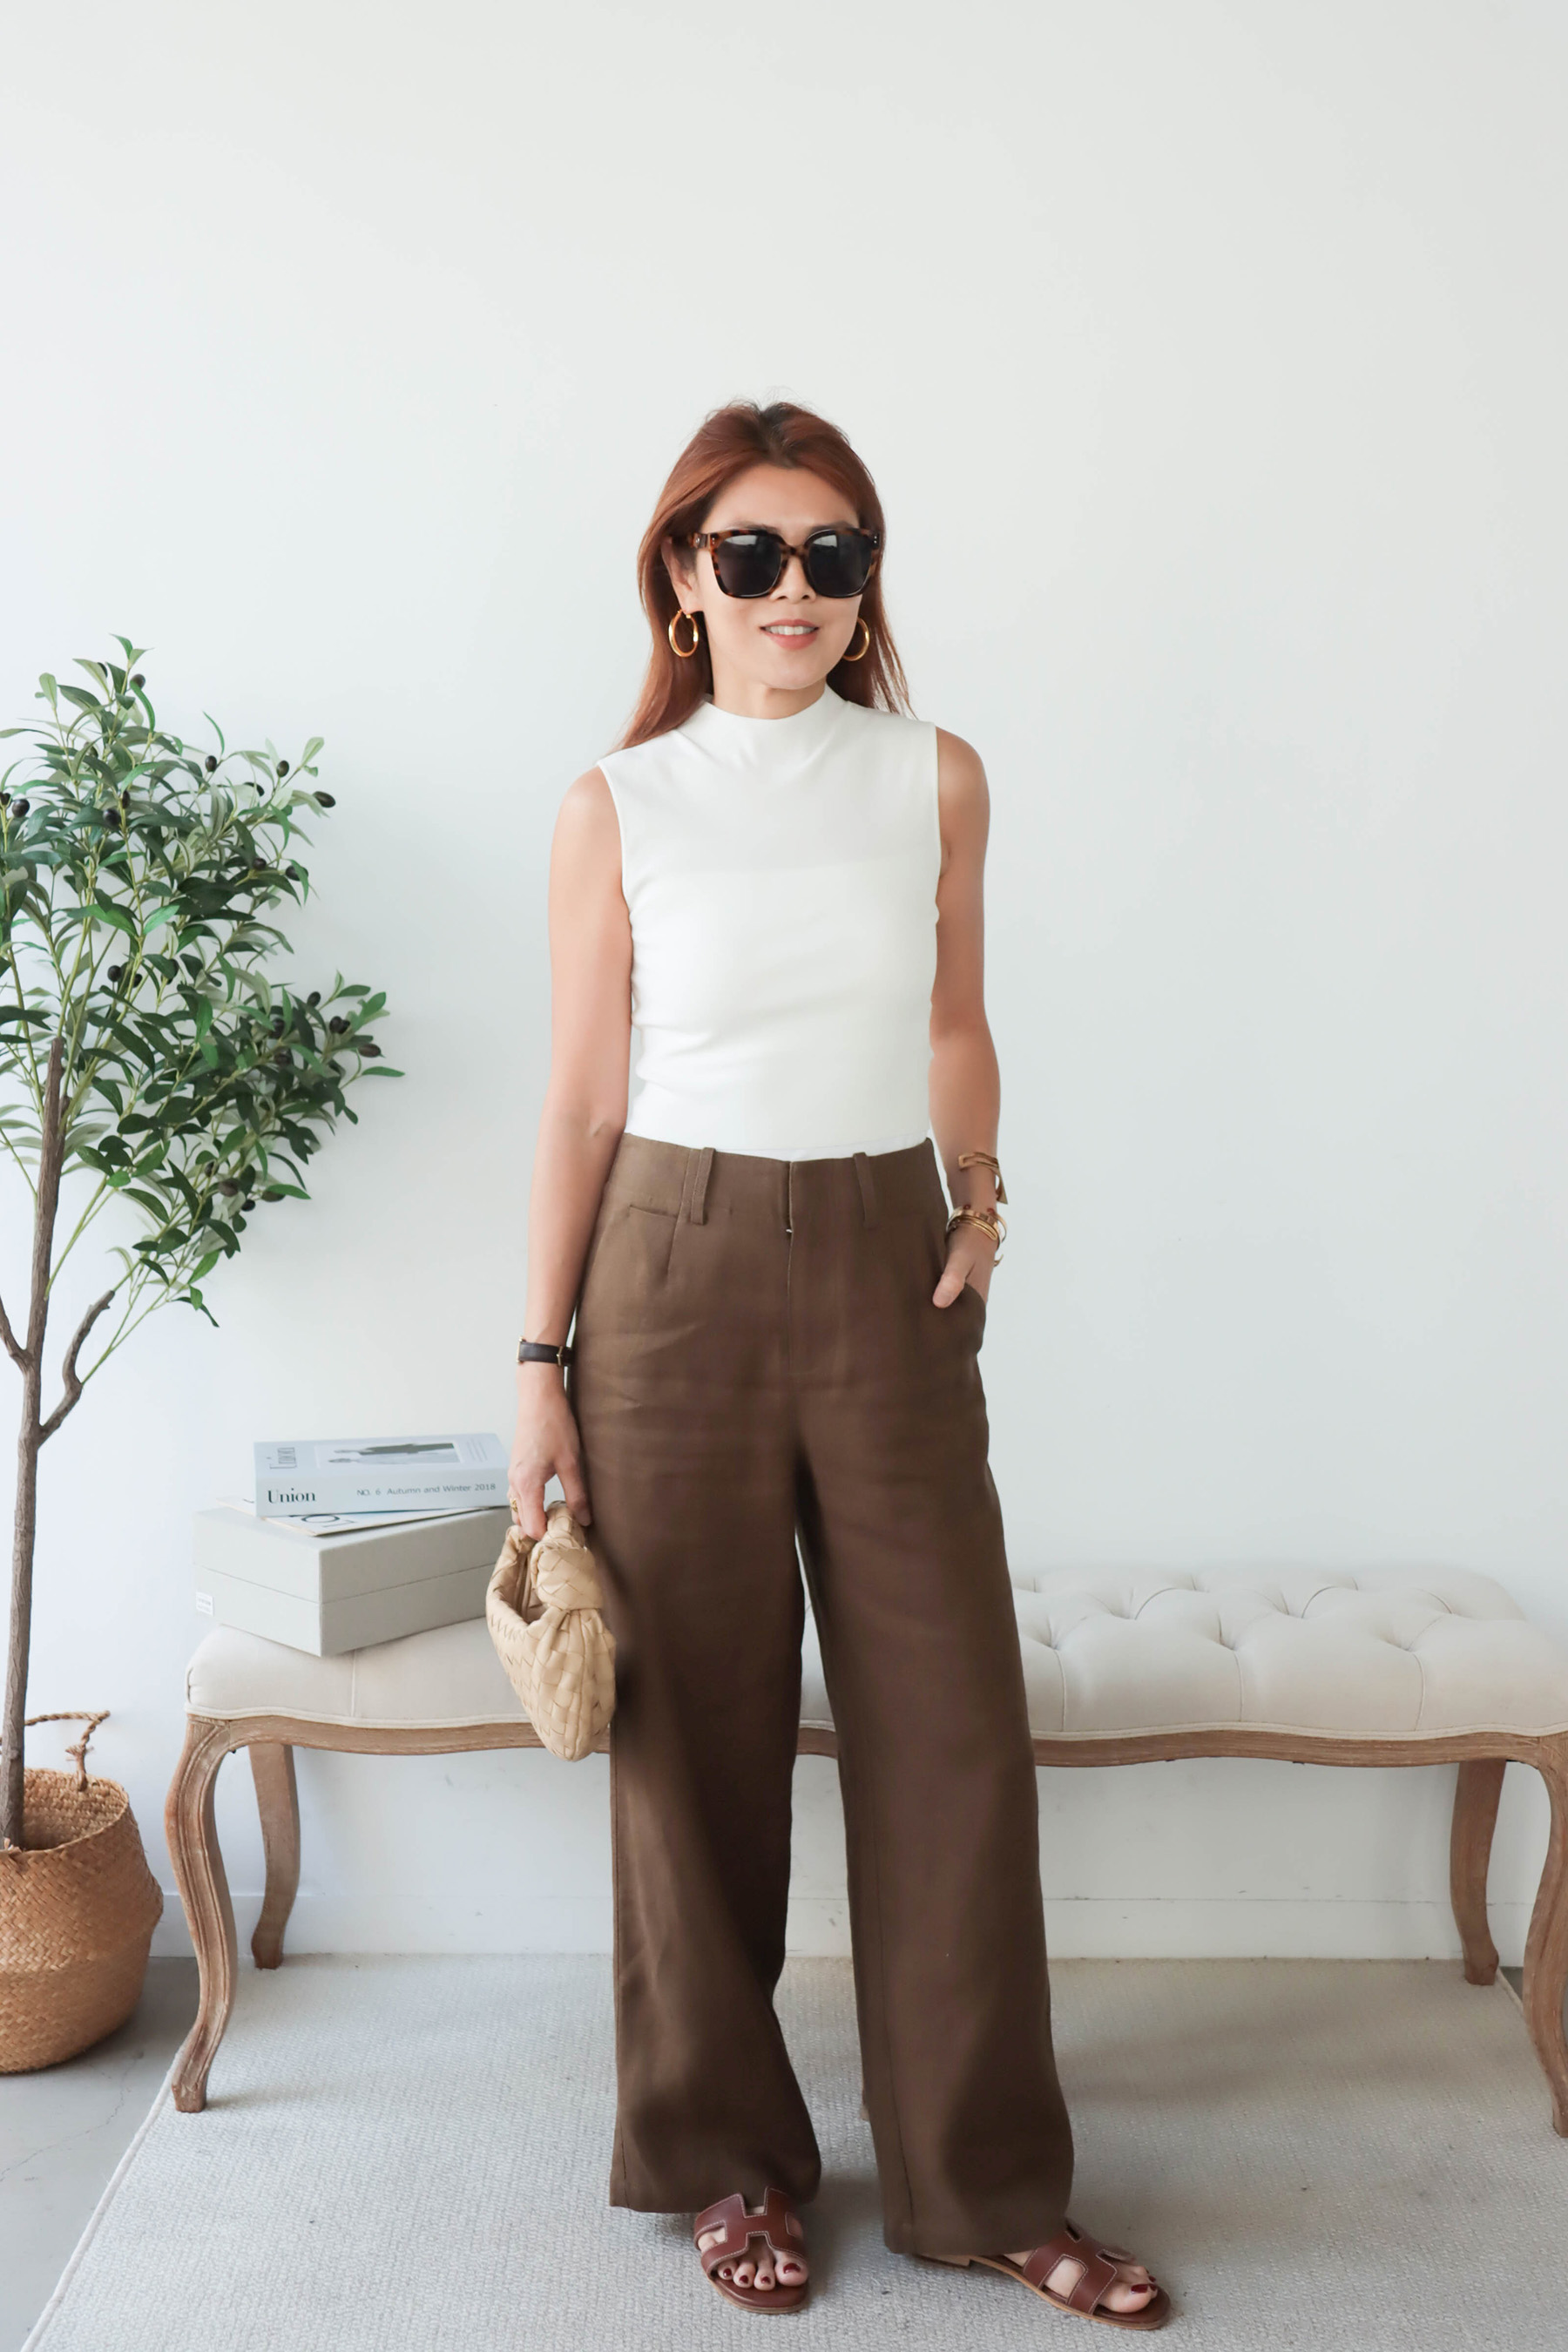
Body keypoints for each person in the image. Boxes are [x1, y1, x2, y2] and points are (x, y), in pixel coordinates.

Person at [508, 399, 1168, 2330]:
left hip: (889, 1264)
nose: (794, 588)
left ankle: (985, 2185)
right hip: (668, 1274)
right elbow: (581, 1100)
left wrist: (982, 1201)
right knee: (692, 1740)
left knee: (952, 1731)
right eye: (753, 553)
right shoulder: (616, 806)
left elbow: (955, 1020)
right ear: (684, 576)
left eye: (834, 554)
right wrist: (539, 1363)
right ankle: (729, 2164)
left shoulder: (934, 777)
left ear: (868, 581)